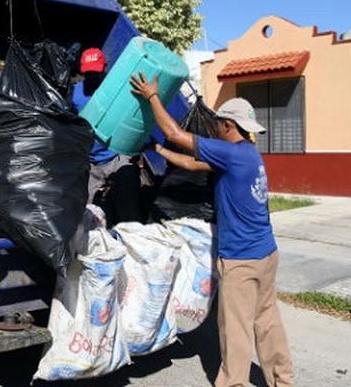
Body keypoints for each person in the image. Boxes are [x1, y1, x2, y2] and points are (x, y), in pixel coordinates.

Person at [130, 72, 294, 387]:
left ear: (229, 125)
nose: (216, 128)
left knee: (235, 328)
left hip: (242, 259)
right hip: (266, 254)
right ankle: (283, 380)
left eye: (219, 123)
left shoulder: (230, 153)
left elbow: (176, 133)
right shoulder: (247, 154)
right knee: (268, 322)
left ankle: (233, 383)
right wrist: (160, 152)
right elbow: (193, 164)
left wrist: (152, 96)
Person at [72, 48, 141, 224]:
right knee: (88, 216)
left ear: (104, 68)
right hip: (90, 160)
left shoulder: (119, 90)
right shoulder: (74, 93)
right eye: (88, 73)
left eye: (96, 71)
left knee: (129, 211)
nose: (92, 77)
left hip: (117, 156)